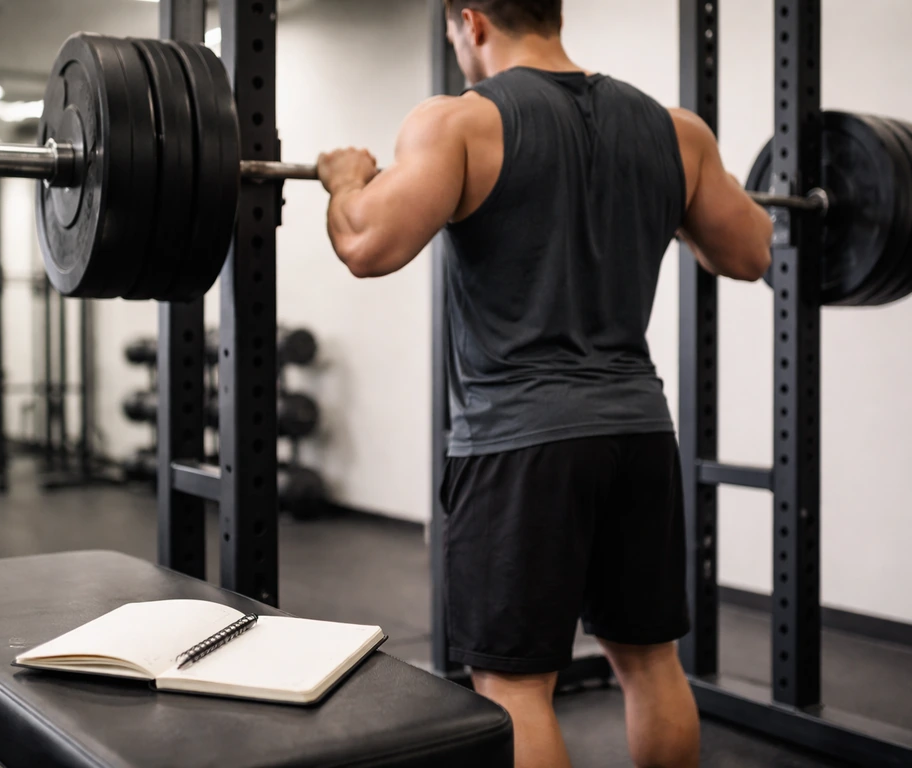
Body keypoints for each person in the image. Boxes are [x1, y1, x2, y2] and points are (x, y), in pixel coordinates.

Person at [316, 1, 772, 766]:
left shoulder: (458, 122)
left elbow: (366, 242)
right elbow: (752, 251)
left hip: (519, 443)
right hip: (638, 433)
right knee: (652, 663)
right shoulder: (676, 132)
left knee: (515, 685)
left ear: (472, 20)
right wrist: (674, 210)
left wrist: (345, 178)